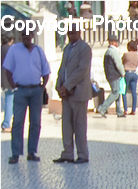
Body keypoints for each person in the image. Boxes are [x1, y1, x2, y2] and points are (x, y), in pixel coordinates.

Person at [3, 28, 51, 163]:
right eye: (23, 36)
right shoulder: (14, 50)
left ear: (32, 36)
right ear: (20, 37)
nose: (26, 38)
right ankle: (16, 153)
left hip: (35, 90)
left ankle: (32, 151)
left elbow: (46, 71)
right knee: (18, 122)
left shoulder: (38, 51)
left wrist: (42, 86)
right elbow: (7, 69)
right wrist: (13, 86)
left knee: (35, 122)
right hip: (21, 91)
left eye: (28, 36)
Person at [52, 22, 91, 164]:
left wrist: (68, 86)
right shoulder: (67, 48)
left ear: (79, 33)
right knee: (66, 125)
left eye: (73, 33)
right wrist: (59, 85)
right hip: (66, 94)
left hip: (78, 92)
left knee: (80, 125)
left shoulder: (85, 49)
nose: (71, 35)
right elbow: (63, 68)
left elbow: (82, 70)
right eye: (69, 33)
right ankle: (67, 153)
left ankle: (82, 154)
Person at [96, 35, 124, 118]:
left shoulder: (107, 51)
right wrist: (122, 72)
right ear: (112, 42)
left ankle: (119, 111)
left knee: (117, 92)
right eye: (116, 41)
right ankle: (102, 108)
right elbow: (118, 63)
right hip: (114, 75)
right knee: (115, 93)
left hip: (110, 75)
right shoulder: (113, 51)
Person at [122, 38, 138, 115]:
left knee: (124, 92)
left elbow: (122, 61)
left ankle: (125, 109)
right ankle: (133, 110)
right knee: (134, 93)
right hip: (134, 73)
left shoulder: (126, 54)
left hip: (127, 73)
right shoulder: (137, 55)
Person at [1, 36, 14, 132]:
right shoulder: (11, 50)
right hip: (10, 79)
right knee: (10, 100)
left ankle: (6, 122)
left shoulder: (1, 49)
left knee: (7, 100)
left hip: (2, 79)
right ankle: (6, 124)